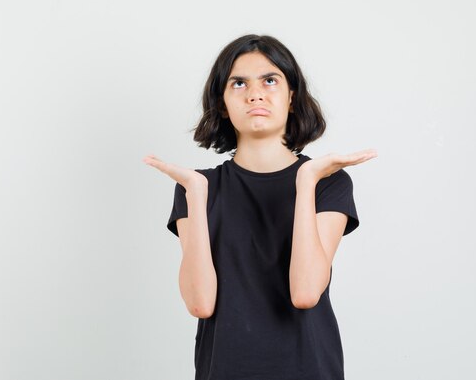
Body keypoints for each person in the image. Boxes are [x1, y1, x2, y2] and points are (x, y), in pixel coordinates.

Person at [142, 34, 377, 380]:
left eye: (270, 80)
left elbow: (306, 292)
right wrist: (193, 191)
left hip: (308, 369)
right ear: (222, 103)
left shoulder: (327, 182)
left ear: (292, 97)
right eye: (238, 83)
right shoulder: (198, 188)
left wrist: (306, 179)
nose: (255, 94)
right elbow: (200, 304)